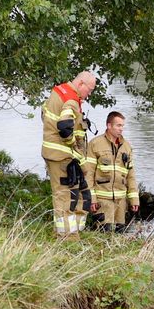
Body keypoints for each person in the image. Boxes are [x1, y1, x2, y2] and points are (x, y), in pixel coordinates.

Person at [40, 71, 96, 239]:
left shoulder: (58, 91)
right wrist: (72, 144)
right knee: (64, 196)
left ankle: (72, 232)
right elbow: (65, 127)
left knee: (75, 193)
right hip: (62, 156)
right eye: (90, 90)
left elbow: (44, 115)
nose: (90, 94)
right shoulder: (71, 99)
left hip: (53, 152)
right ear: (81, 84)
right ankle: (67, 238)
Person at [86, 111, 139, 233]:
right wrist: (92, 198)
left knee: (119, 235)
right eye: (118, 125)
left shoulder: (126, 146)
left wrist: (134, 200)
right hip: (102, 200)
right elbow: (88, 174)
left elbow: (131, 176)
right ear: (109, 126)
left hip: (121, 202)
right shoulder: (95, 144)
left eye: (122, 126)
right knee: (103, 234)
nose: (121, 129)